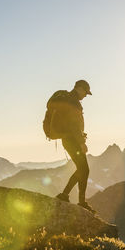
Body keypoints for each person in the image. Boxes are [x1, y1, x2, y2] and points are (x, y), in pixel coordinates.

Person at [53, 80, 95, 213]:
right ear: (80, 89)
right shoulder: (73, 102)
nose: (85, 96)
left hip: (69, 140)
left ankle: (65, 195)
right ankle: (79, 201)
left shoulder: (70, 100)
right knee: (84, 169)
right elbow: (73, 125)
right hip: (72, 141)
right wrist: (81, 142)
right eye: (85, 93)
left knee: (82, 169)